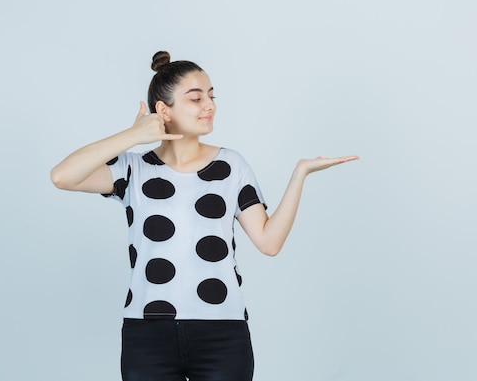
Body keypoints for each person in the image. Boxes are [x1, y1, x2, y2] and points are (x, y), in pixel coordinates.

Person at [50, 50, 359, 381]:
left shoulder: (231, 166)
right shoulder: (133, 169)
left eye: (211, 96)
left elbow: (269, 243)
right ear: (163, 111)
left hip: (222, 335)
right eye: (196, 99)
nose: (210, 105)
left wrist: (300, 174)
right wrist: (133, 136)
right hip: (147, 334)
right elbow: (62, 176)